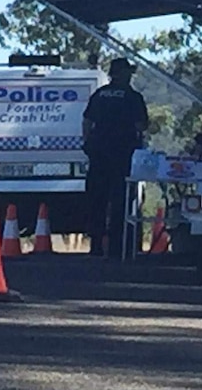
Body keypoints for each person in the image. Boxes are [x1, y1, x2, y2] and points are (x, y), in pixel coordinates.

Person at [82, 57, 148, 258]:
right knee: (120, 199)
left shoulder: (99, 95)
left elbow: (87, 121)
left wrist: (87, 143)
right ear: (123, 74)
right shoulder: (132, 97)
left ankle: (95, 245)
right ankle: (117, 247)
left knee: (97, 199)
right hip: (122, 154)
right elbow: (141, 125)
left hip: (98, 153)